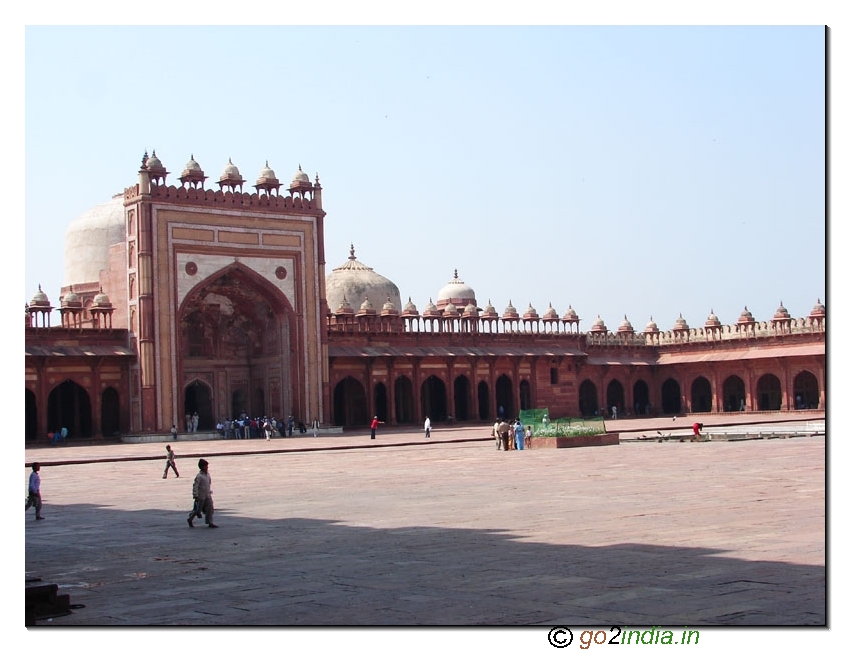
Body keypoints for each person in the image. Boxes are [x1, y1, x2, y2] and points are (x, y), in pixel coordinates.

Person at [188, 459, 217, 528]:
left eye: (207, 466)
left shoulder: (208, 475)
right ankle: (190, 518)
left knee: (210, 508)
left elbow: (208, 484)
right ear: (201, 467)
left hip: (207, 494)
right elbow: (195, 486)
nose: (207, 468)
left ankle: (210, 522)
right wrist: (195, 495)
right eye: (205, 466)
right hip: (201, 496)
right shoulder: (199, 476)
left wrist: (209, 491)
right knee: (198, 510)